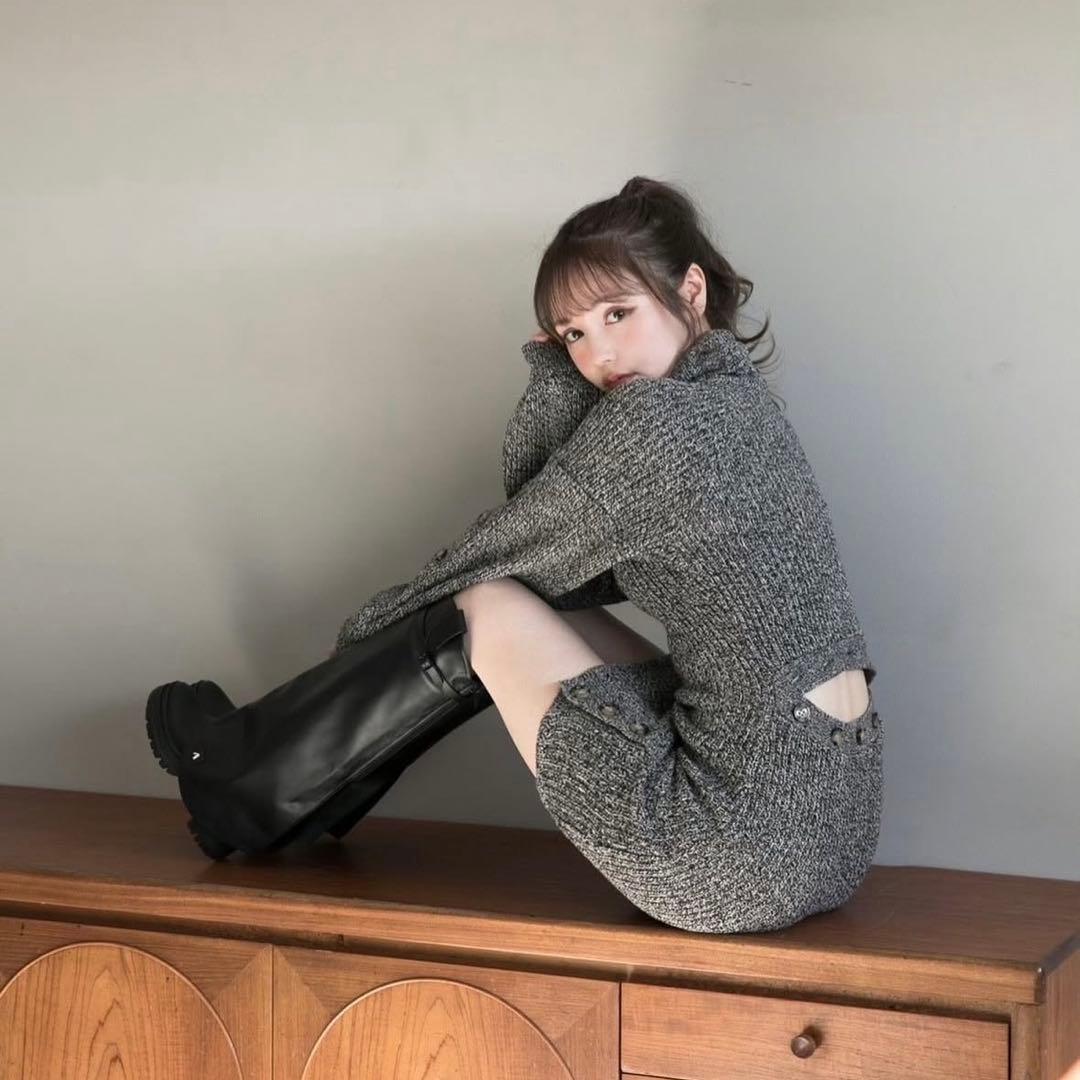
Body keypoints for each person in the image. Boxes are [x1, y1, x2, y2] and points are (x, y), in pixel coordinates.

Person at [147, 175, 882, 937]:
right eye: (573, 335)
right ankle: (295, 789)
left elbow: (499, 556)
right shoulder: (743, 406)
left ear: (689, 291)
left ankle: (247, 779)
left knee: (484, 604)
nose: (599, 353)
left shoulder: (656, 425)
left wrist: (360, 641)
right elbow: (571, 576)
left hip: (729, 859)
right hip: (833, 835)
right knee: (522, 602)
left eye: (618, 313)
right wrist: (563, 383)